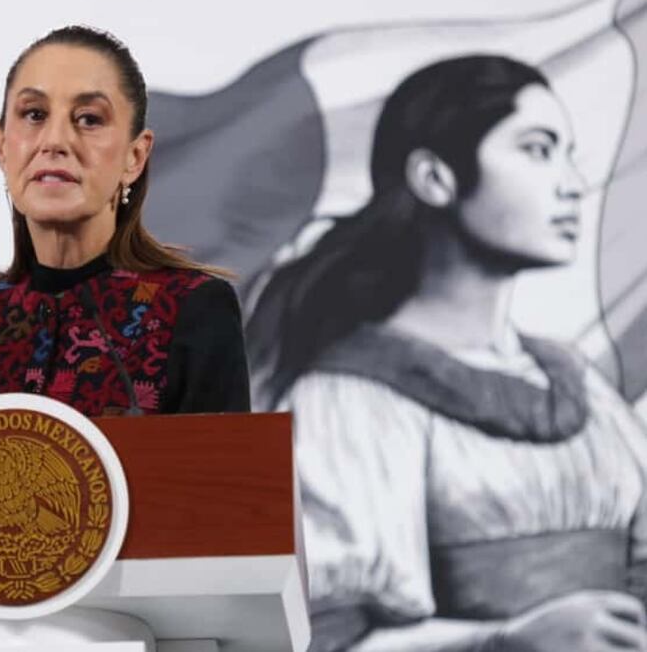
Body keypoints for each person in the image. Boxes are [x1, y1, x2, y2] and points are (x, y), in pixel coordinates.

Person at [246, 55, 647, 651]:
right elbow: (325, 637)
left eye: (568, 154)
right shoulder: (351, 397)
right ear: (436, 178)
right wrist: (505, 641)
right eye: (537, 150)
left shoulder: (578, 383)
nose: (571, 183)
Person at [0, 25, 249, 420]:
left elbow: (221, 479)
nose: (55, 141)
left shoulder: (193, 310)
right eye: (34, 114)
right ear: (2, 145)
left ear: (135, 157)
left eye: (89, 119)